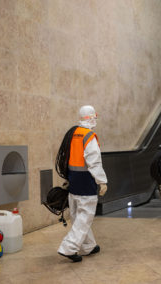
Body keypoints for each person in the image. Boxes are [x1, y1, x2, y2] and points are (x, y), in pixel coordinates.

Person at [58, 105, 108, 262]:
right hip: (87, 181)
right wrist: (102, 181)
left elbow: (65, 157)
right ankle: (68, 247)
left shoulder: (72, 134)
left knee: (77, 215)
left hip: (74, 181)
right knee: (84, 217)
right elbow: (94, 162)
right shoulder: (89, 136)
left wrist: (67, 178)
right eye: (95, 116)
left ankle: (88, 246)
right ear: (92, 117)